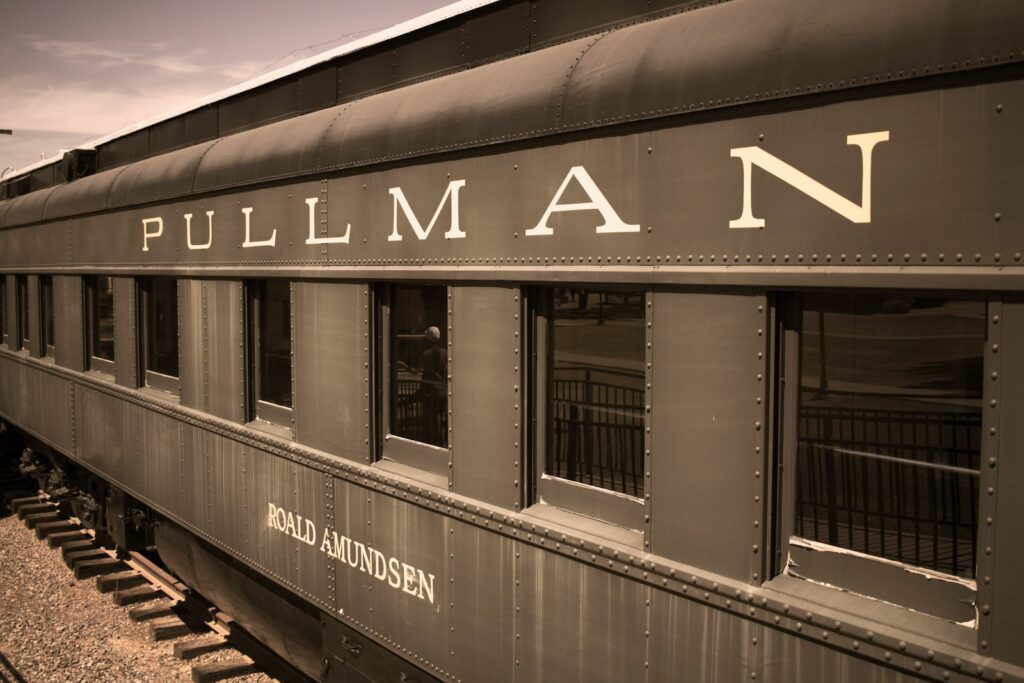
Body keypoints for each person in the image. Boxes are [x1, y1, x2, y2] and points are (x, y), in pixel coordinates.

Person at [418, 326, 447, 446]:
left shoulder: (426, 354)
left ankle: (435, 441)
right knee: (442, 416)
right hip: (443, 390)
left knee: (433, 418)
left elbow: (425, 374)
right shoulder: (445, 353)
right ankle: (442, 441)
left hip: (431, 391)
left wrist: (422, 389)